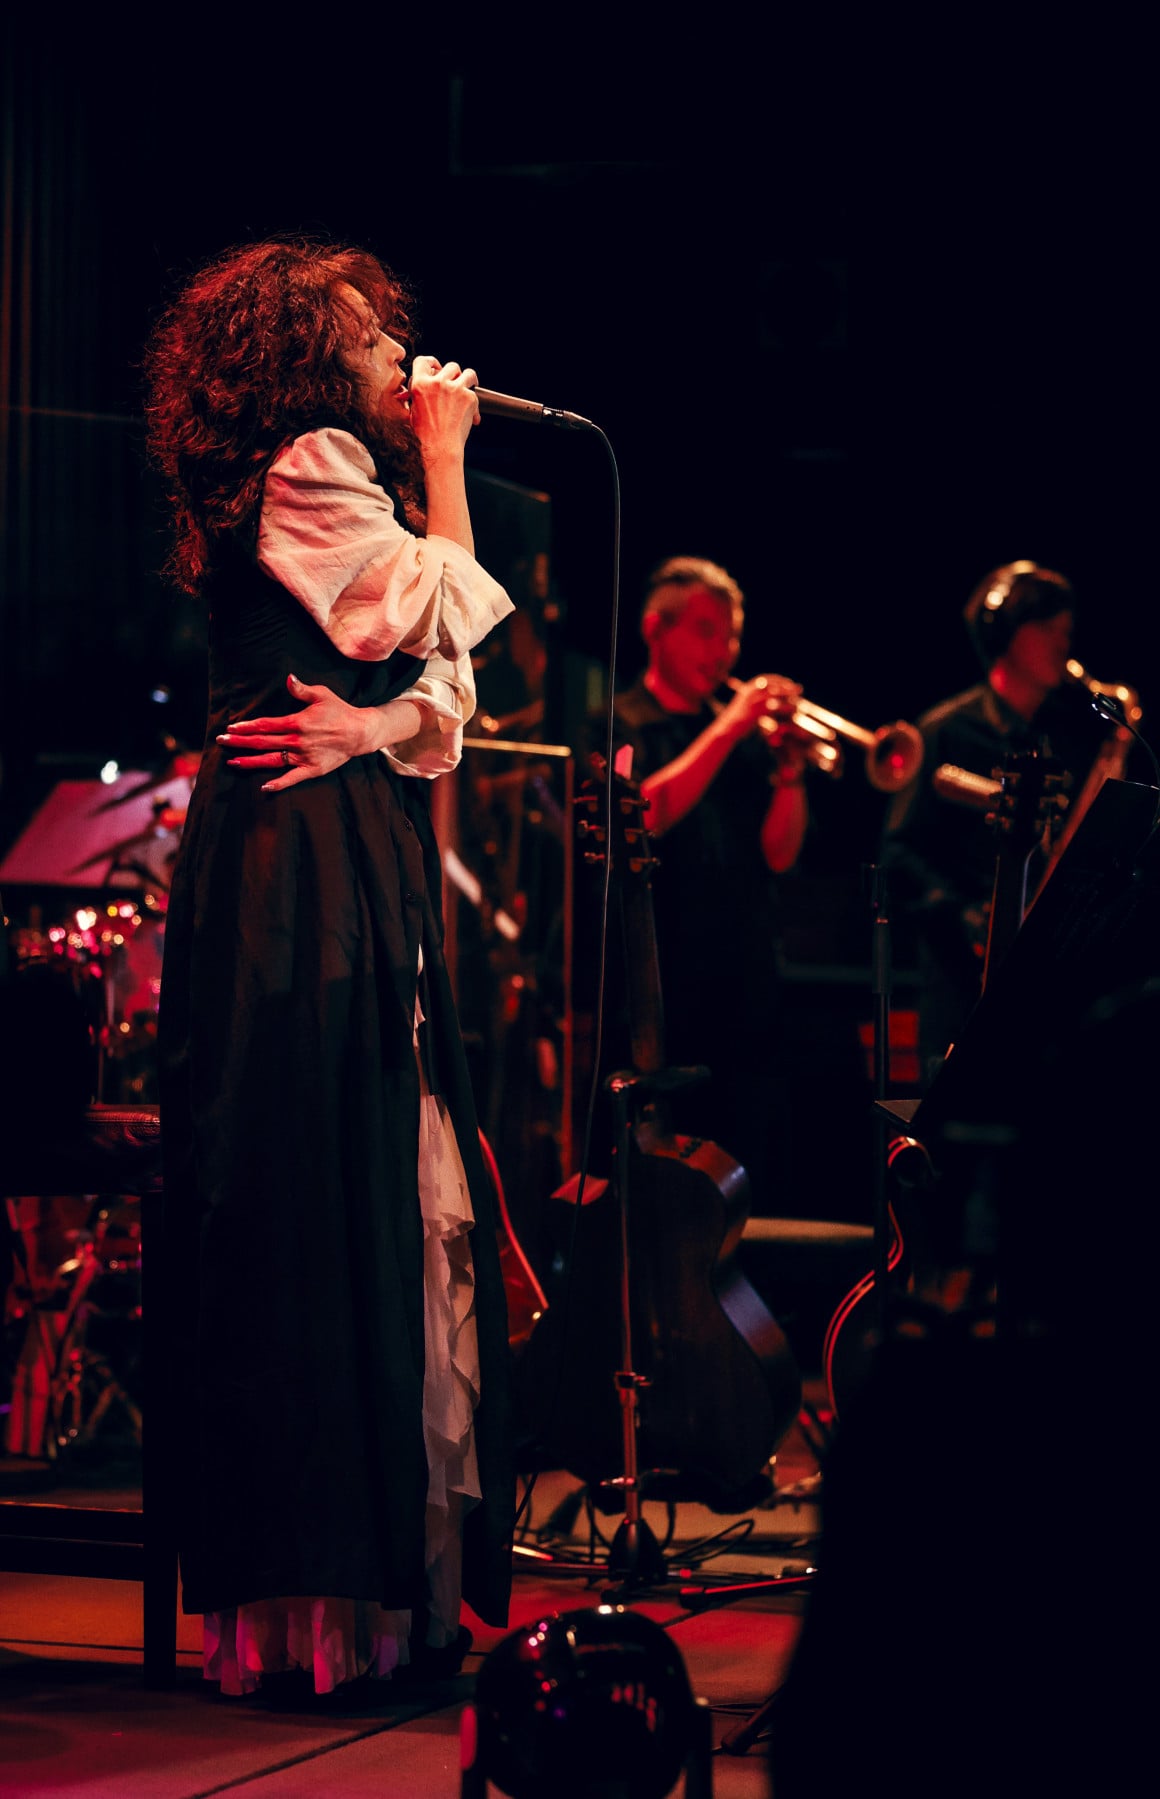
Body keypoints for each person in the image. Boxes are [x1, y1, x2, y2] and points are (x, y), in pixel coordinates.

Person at [143, 239, 517, 1698]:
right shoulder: (309, 464)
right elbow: (451, 608)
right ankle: (319, 1598)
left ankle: (385, 1591)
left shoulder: (330, 481)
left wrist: (369, 727)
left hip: (342, 829)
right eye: (364, 333)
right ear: (303, 355)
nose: (391, 352)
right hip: (292, 866)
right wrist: (449, 455)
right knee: (312, 1177)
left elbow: (444, 690)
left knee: (365, 1164)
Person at [584, 556, 809, 1196]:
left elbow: (780, 854)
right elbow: (643, 814)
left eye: (732, 635)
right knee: (665, 1186)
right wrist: (729, 726)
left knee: (748, 1170)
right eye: (707, 631)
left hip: (746, 987)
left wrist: (791, 774)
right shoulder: (620, 721)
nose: (724, 651)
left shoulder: (743, 738)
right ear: (655, 630)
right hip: (662, 992)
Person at [881, 559, 1111, 1084]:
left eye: (1066, 631)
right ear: (1005, 632)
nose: (1063, 643)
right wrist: (966, 914)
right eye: (1047, 628)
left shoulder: (1066, 738)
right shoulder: (944, 731)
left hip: (1041, 982)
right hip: (958, 976)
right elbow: (899, 853)